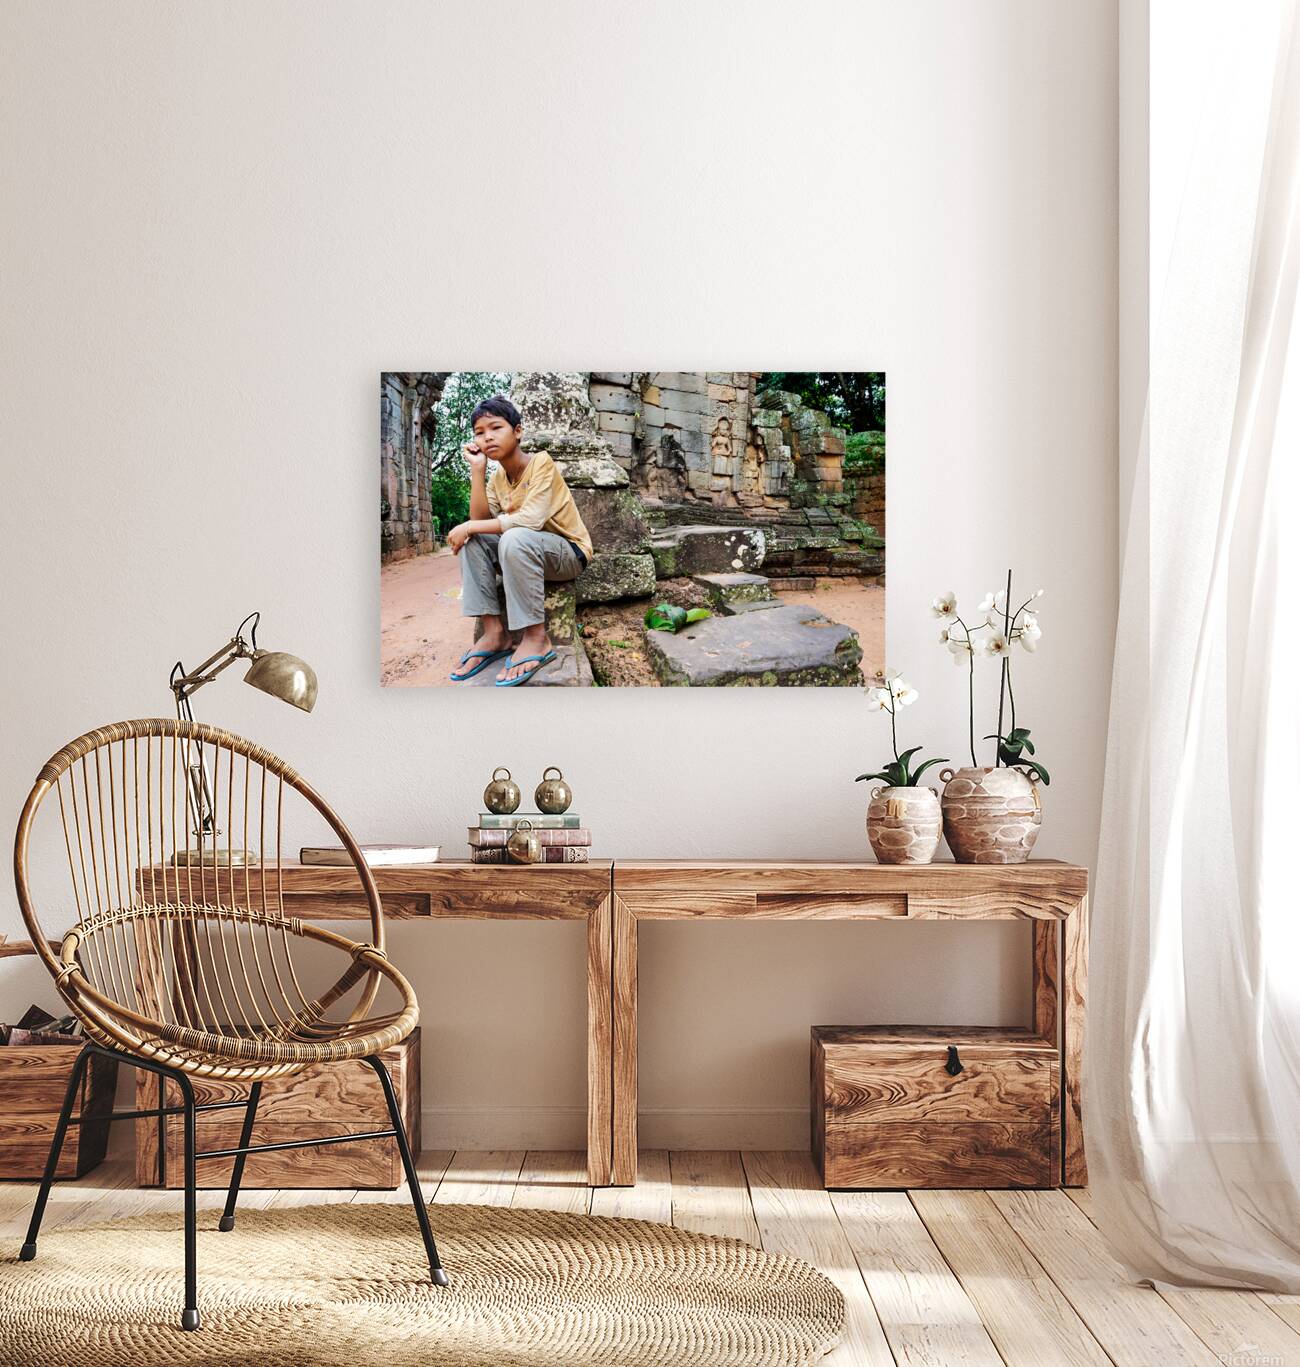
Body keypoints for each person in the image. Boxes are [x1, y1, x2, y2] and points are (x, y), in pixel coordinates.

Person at [446, 394, 594, 686]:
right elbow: (479, 519)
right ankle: (494, 634)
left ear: (517, 431)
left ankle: (536, 638)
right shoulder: (497, 479)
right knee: (473, 539)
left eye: (495, 427)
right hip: (524, 551)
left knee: (512, 535)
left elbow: (531, 520)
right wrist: (477, 470)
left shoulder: (541, 463)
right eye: (479, 432)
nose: (487, 437)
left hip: (567, 553)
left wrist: (471, 525)